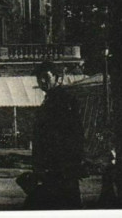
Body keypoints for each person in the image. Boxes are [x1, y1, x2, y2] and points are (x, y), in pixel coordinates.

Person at [28, 60, 84, 210]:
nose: (41, 81)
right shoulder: (50, 100)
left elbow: (71, 134)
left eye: (46, 77)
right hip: (52, 168)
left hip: (60, 167)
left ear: (58, 78)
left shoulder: (63, 101)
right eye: (39, 78)